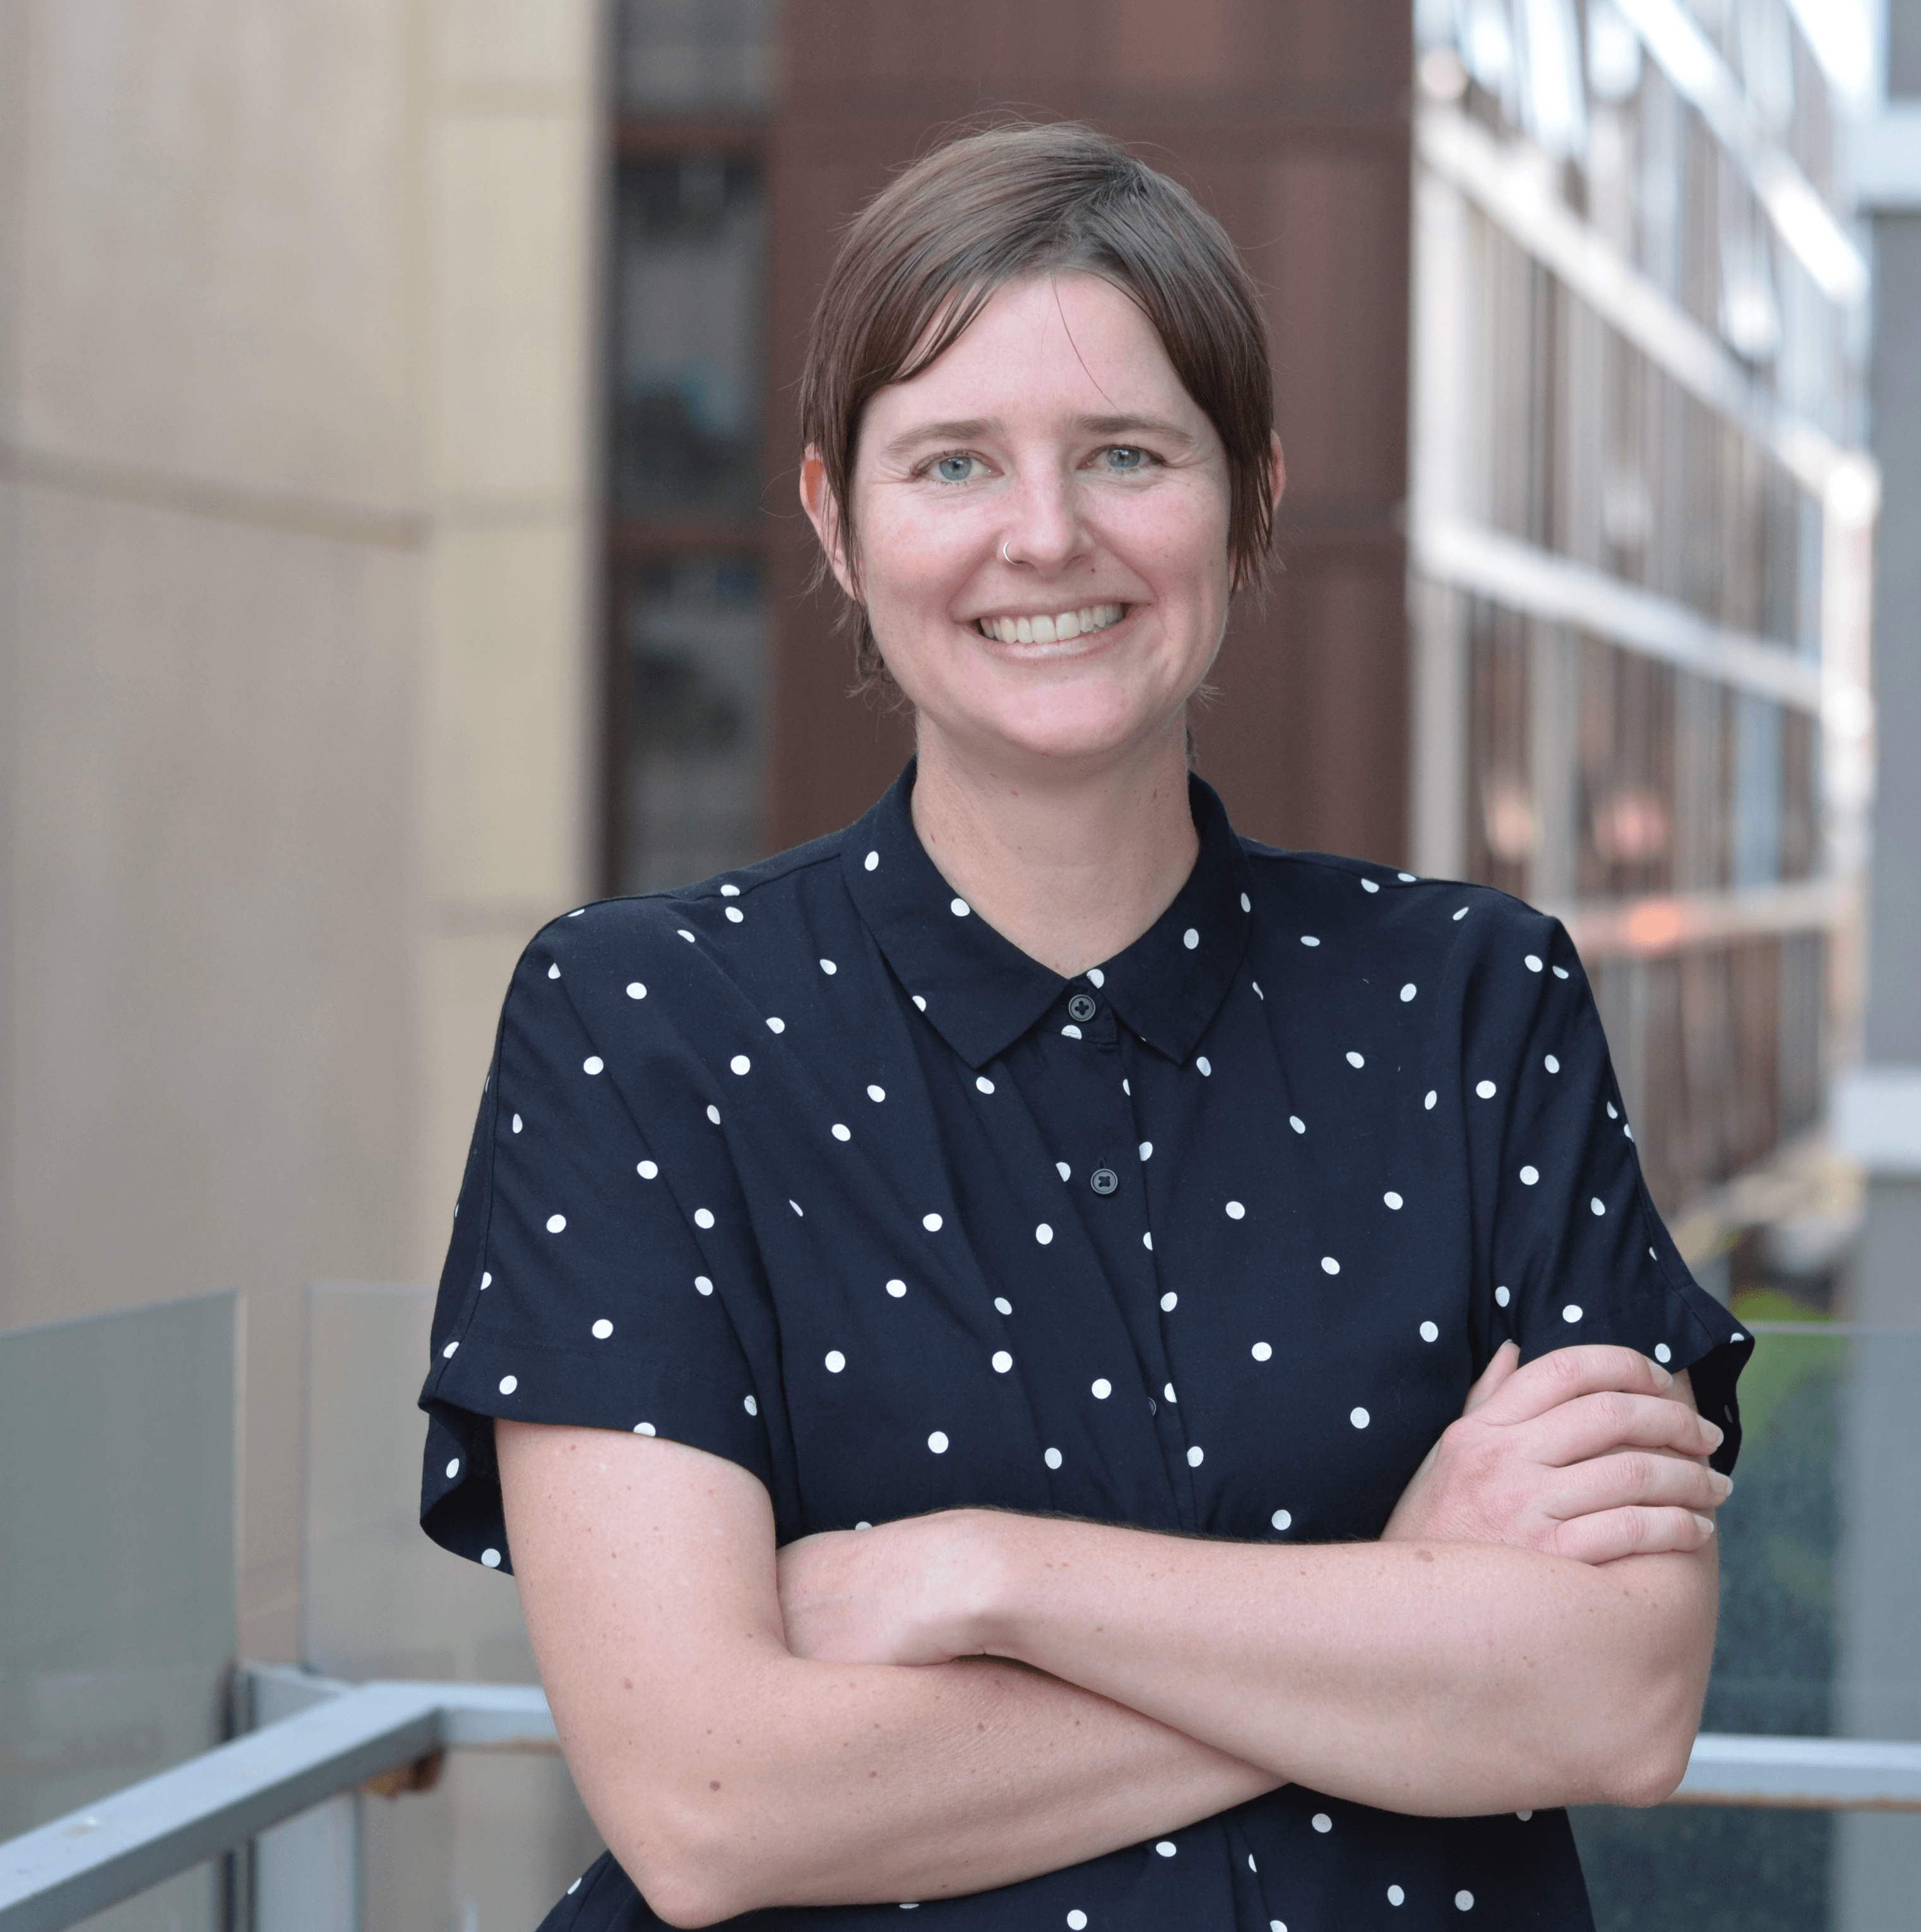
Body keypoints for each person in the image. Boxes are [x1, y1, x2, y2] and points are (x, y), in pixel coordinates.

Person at [419, 121, 1751, 1932]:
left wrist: (984, 1576)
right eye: (952, 461)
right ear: (834, 515)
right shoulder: (640, 1020)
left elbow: (1617, 1697)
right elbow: (711, 1801)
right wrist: (1404, 1602)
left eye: (1127, 455)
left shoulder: (1474, 1001)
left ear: (1250, 497)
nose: (1045, 537)